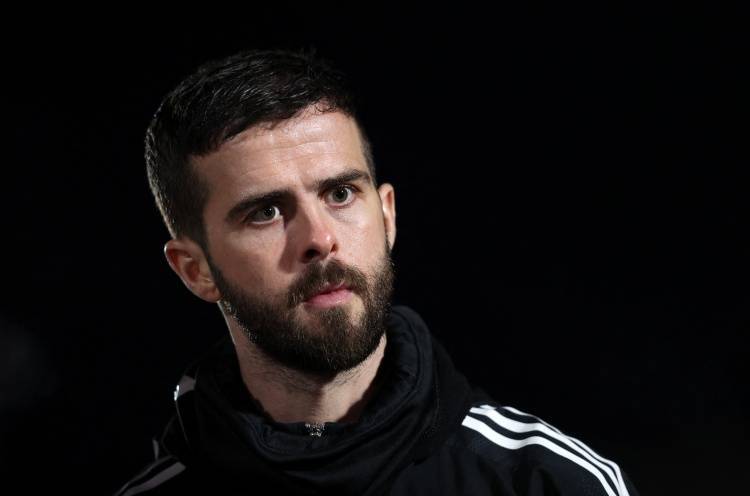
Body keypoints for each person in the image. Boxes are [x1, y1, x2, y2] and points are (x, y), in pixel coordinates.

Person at [115, 48, 639, 496]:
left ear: (387, 216)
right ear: (195, 270)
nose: (320, 239)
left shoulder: (547, 482)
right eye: (266, 212)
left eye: (340, 193)